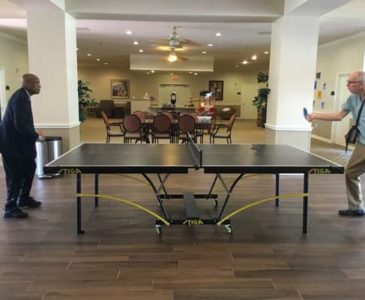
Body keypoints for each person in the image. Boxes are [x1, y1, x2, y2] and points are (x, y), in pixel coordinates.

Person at [306, 70, 365, 217]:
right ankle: (356, 207)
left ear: (362, 84)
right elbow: (339, 116)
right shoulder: (353, 99)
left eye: (350, 82)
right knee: (351, 173)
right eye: (347, 82)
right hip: (362, 143)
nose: (347, 85)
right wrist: (315, 115)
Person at [0, 73, 44, 218]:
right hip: (12, 146)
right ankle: (10, 208)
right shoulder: (20, 98)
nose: (40, 86)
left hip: (20, 145)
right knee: (15, 176)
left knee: (29, 168)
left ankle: (23, 198)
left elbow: (22, 124)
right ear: (29, 84)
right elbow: (20, 126)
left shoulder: (23, 97)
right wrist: (37, 136)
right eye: (37, 83)